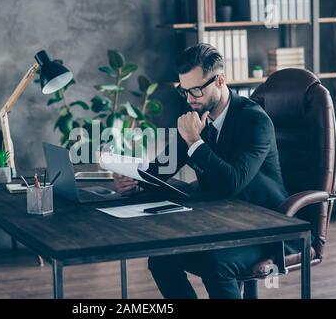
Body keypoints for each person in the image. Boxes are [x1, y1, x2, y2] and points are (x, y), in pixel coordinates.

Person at [113, 43, 289, 299]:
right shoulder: (198, 116)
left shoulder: (254, 120)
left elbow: (231, 183)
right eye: (184, 91)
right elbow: (160, 170)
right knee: (162, 259)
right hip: (218, 223)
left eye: (196, 89)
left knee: (216, 264)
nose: (190, 98)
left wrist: (195, 141)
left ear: (220, 80)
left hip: (262, 227)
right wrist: (135, 181)